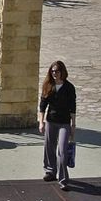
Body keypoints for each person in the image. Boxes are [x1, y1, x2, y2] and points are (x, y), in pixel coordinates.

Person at [37, 60, 77, 189]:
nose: (55, 74)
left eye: (57, 71)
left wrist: (73, 125)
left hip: (64, 122)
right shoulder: (48, 85)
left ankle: (63, 179)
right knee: (49, 146)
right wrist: (41, 122)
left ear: (62, 72)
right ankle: (50, 171)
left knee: (62, 150)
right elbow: (43, 105)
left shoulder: (69, 87)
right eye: (53, 71)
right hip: (51, 121)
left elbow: (72, 107)